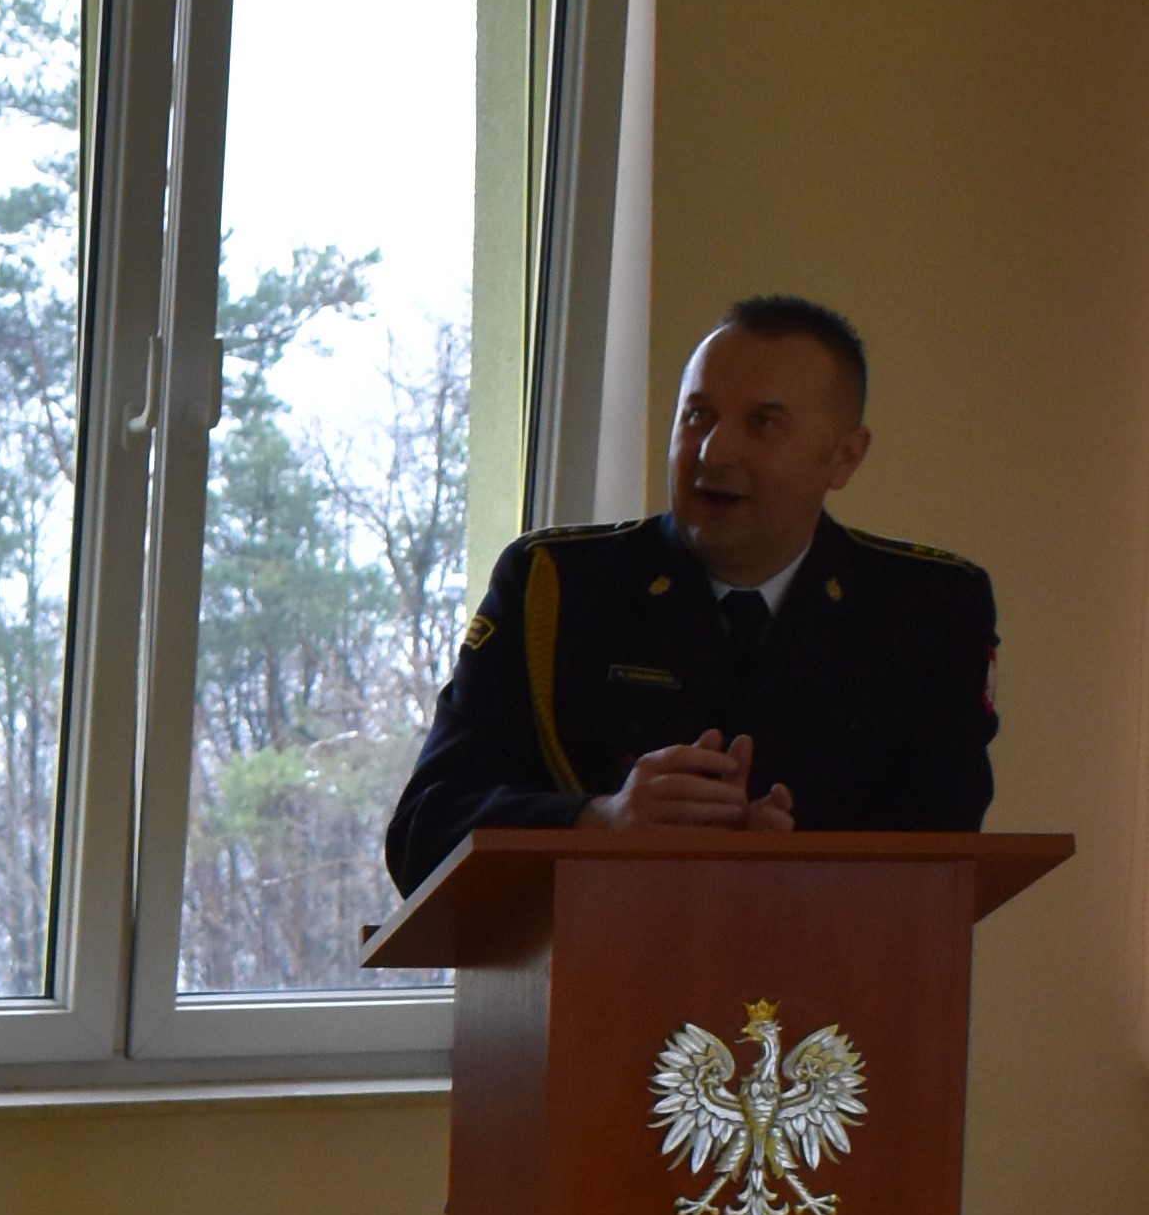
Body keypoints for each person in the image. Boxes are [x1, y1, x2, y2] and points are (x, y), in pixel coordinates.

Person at [384, 295, 998, 891]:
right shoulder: (556, 586)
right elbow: (424, 834)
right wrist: (599, 821)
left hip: (832, 956)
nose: (714, 451)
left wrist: (785, 864)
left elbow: (942, 851)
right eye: (697, 416)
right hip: (600, 955)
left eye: (763, 424)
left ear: (844, 457)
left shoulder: (928, 608)